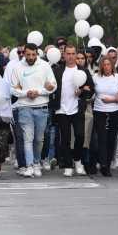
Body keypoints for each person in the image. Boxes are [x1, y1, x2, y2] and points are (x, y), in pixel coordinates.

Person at [9, 43, 57, 178]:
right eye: (28, 54)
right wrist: (26, 93)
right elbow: (13, 89)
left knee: (39, 139)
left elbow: (53, 86)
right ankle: (29, 165)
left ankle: (36, 163)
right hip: (24, 107)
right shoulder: (17, 67)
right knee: (27, 138)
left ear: (37, 54)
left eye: (33, 55)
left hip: (42, 108)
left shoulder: (45, 66)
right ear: (24, 54)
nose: (31, 57)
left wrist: (39, 91)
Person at [49, 45, 94, 177]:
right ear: (64, 55)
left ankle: (78, 161)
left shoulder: (83, 71)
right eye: (68, 53)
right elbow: (51, 86)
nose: (70, 56)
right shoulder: (57, 70)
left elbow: (91, 89)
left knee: (80, 135)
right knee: (66, 138)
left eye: (73, 53)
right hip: (62, 109)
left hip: (77, 109)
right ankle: (68, 165)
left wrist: (82, 91)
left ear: (76, 55)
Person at [92, 57, 118, 177]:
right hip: (99, 111)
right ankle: (102, 164)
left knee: (111, 139)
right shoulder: (96, 77)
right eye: (104, 64)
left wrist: (113, 99)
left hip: (115, 111)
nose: (106, 67)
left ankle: (107, 164)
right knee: (101, 138)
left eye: (108, 64)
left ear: (112, 66)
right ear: (101, 66)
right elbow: (91, 93)